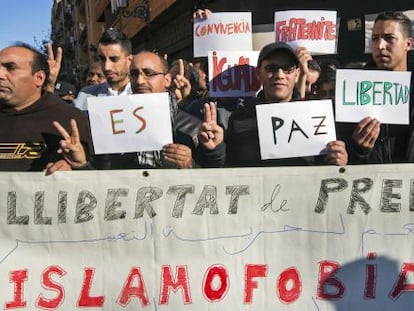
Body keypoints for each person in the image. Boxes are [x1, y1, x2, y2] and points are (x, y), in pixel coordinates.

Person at [224, 42, 348, 167]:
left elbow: (327, 170)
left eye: (288, 68)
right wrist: (214, 150)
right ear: (258, 73)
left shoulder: (317, 118)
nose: (279, 75)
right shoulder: (239, 118)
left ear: (297, 74)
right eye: (271, 68)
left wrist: (338, 160)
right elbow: (228, 169)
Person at [0, 42, 92, 173]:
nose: (1, 74)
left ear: (39, 78)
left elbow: (96, 181)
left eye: (11, 68)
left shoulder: (69, 118)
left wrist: (78, 167)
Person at [351, 11, 413, 163]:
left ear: (408, 44)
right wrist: (359, 150)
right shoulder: (352, 91)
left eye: (389, 38)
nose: (380, 45)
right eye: (374, 39)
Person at [74, 28, 133, 111]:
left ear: (129, 61)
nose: (106, 67)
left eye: (114, 59)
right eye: (102, 59)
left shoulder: (144, 93)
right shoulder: (85, 96)